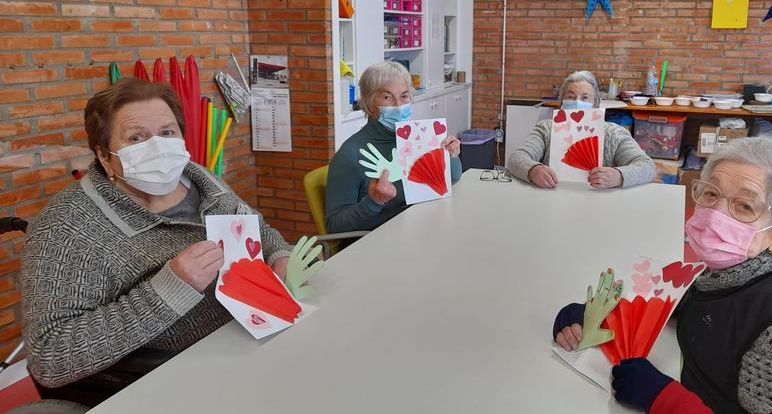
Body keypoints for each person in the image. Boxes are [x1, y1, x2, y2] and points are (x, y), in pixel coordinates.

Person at [21, 79, 306, 407]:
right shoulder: (67, 228)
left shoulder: (198, 178)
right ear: (103, 155)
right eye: (137, 137)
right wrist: (167, 289)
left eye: (167, 132)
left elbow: (254, 225)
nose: (158, 148)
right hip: (181, 379)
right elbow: (49, 358)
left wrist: (278, 254)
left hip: (256, 337)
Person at [552, 137, 772, 413]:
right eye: (711, 193)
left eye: (744, 206)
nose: (716, 215)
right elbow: (692, 301)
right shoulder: (735, 269)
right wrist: (603, 316)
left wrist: (665, 400)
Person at [325, 61, 462, 233]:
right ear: (369, 103)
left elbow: (453, 177)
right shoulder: (350, 155)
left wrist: (451, 156)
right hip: (375, 244)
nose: (398, 105)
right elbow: (334, 226)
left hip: (419, 228)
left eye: (404, 96)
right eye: (387, 97)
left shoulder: (418, 138)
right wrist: (374, 201)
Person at [507, 70, 655, 189]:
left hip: (602, 203)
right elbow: (517, 157)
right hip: (554, 198)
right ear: (562, 102)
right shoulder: (546, 128)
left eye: (585, 98)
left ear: (595, 103)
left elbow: (647, 166)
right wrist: (533, 170)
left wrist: (619, 176)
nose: (578, 102)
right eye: (571, 97)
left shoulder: (614, 133)